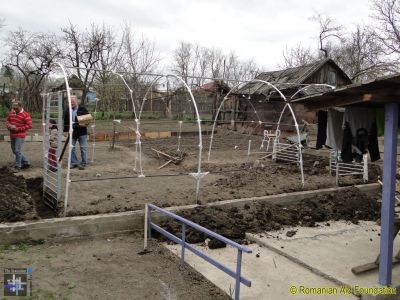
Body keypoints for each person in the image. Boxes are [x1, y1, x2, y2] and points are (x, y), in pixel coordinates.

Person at [63, 95, 89, 170]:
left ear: (77, 101)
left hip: (82, 132)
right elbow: (66, 121)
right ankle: (74, 162)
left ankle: (83, 163)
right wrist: (65, 130)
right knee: (71, 148)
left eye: (73, 102)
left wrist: (81, 122)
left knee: (83, 148)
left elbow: (87, 121)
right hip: (72, 132)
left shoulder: (83, 109)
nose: (72, 103)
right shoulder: (68, 110)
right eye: (70, 102)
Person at [6, 101, 33, 172]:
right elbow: (7, 121)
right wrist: (9, 126)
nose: (15, 110)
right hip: (12, 134)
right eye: (13, 108)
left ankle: (18, 167)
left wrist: (18, 129)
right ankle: (26, 161)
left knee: (17, 150)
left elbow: (29, 125)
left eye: (16, 108)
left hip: (20, 135)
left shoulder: (25, 114)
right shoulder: (11, 113)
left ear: (21, 107)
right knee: (14, 151)